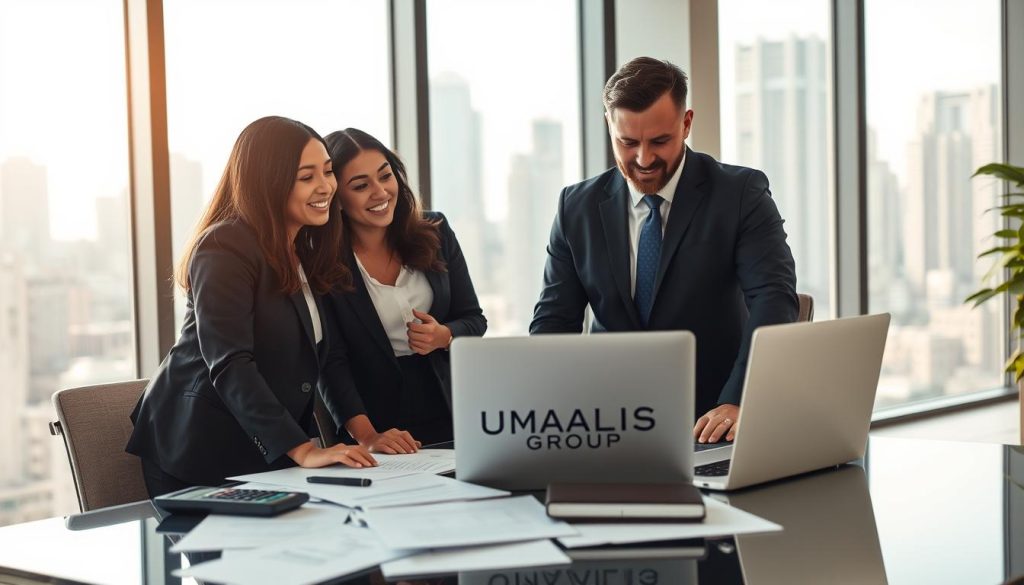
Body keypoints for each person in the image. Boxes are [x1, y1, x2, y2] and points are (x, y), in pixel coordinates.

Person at [126, 116, 417, 497]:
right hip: (202, 449)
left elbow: (326, 358)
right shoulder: (225, 247)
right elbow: (230, 364)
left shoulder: (305, 248)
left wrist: (365, 437)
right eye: (306, 176)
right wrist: (304, 450)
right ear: (268, 181)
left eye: (327, 172)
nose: (325, 186)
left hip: (269, 451)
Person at [530, 57, 798, 444]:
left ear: (686, 123)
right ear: (609, 125)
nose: (643, 159)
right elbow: (554, 322)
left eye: (659, 141)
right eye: (627, 142)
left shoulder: (741, 195)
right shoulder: (576, 206)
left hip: (712, 421)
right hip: (607, 425)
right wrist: (545, 412)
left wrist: (740, 401)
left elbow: (773, 300)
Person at [322, 128, 486, 446]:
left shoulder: (436, 231)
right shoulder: (326, 262)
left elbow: (474, 319)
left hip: (451, 407)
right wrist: (368, 436)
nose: (380, 192)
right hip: (375, 421)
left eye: (385, 176)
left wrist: (444, 335)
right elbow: (331, 362)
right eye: (360, 185)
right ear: (336, 198)